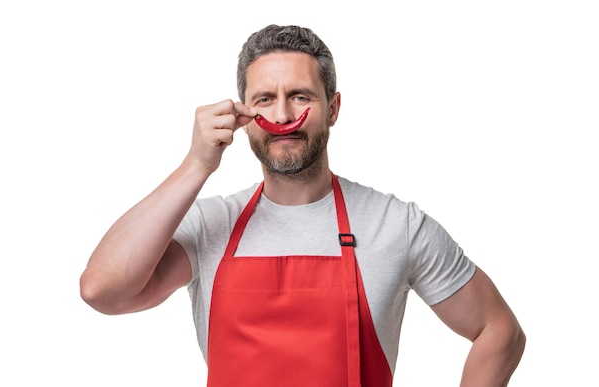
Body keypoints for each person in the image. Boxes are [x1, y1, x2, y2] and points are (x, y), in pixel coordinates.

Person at [80, 24, 525, 386]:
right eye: (264, 100)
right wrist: (195, 166)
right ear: (244, 115)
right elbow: (102, 290)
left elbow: (499, 331)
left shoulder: (395, 225)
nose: (280, 116)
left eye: (300, 96)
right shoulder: (209, 225)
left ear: (332, 108)